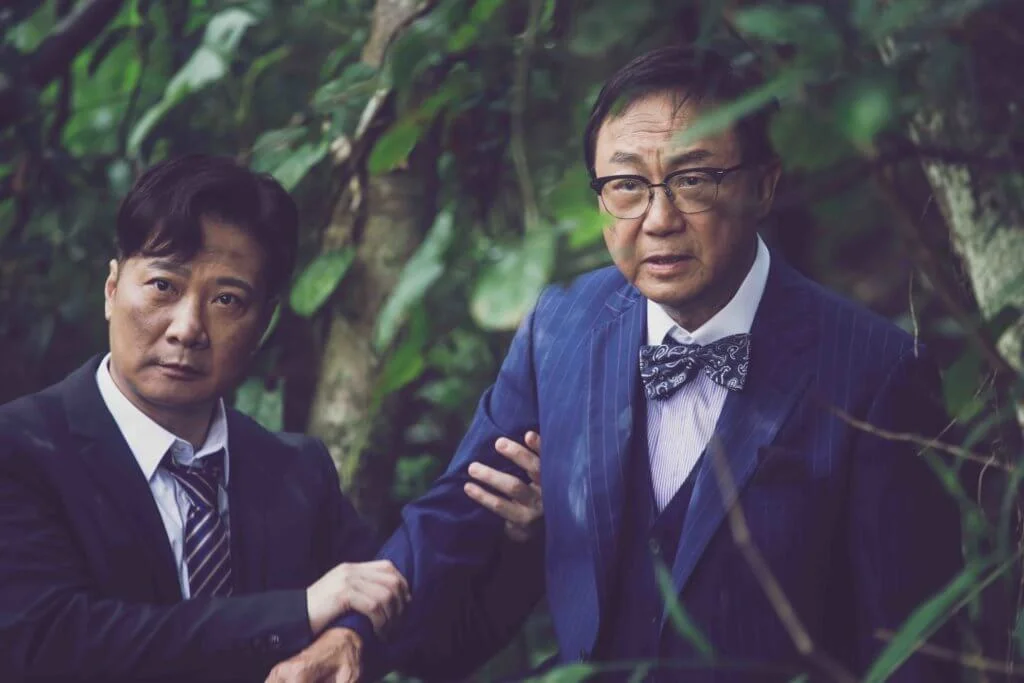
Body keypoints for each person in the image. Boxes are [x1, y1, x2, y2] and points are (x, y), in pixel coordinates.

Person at [273, 45, 965, 682]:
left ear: (763, 185)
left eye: (693, 179)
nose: (658, 219)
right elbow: (460, 512)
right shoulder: (562, 325)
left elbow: (913, 645)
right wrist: (356, 634)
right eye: (627, 185)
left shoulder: (876, 369)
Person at [0, 155, 541, 683]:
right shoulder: (21, 449)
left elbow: (427, 642)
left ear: (264, 323)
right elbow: (46, 642)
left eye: (226, 300)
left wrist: (523, 543)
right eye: (163, 286)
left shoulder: (294, 471)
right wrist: (298, 612)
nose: (187, 328)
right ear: (112, 289)